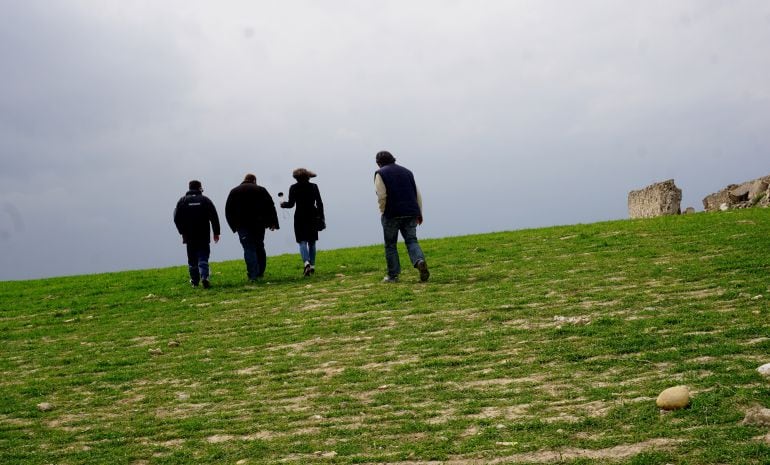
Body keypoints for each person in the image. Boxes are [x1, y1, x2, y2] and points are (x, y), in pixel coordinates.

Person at [374, 151, 429, 283]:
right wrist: (419, 212)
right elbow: (417, 194)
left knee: (391, 245)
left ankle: (393, 275)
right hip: (411, 212)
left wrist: (383, 211)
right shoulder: (407, 172)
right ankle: (419, 261)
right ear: (393, 159)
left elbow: (382, 195)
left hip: (391, 214)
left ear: (378, 163)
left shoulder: (380, 173)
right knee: (411, 240)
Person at [225, 173, 279, 281]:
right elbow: (270, 206)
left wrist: (233, 226)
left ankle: (252, 274)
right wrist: (273, 223)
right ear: (254, 180)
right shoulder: (261, 190)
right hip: (259, 224)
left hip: (242, 225)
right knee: (259, 246)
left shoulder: (234, 191)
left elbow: (228, 210)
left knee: (248, 248)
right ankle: (260, 272)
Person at [173, 179, 221, 288]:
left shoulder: (182, 201)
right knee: (203, 256)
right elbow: (214, 216)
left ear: (189, 188)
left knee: (192, 259)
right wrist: (216, 232)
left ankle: (194, 281)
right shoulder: (205, 200)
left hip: (189, 236)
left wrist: (182, 231)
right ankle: (205, 277)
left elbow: (176, 218)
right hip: (203, 234)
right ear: (200, 188)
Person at [280, 168, 325, 276]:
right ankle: (312, 266)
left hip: (300, 216)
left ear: (296, 177)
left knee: (302, 241)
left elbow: (291, 204)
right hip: (312, 215)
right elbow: (319, 202)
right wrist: (321, 217)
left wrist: (283, 204)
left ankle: (306, 263)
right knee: (312, 241)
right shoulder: (314, 186)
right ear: (307, 176)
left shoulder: (293, 187)